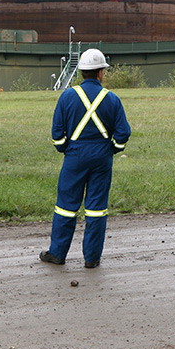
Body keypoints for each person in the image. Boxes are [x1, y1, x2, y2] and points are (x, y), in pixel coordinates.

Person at [40, 48, 131, 268]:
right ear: (101, 73)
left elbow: (56, 133)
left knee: (66, 206)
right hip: (102, 157)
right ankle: (92, 258)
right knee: (96, 208)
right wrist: (113, 149)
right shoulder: (112, 99)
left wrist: (65, 149)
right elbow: (123, 133)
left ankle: (58, 254)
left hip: (74, 156)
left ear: (81, 72)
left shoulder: (68, 96)